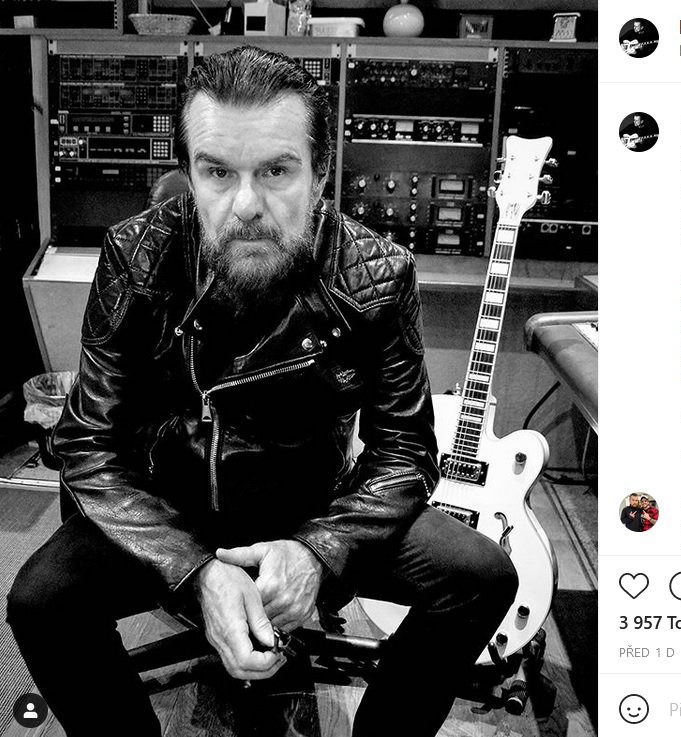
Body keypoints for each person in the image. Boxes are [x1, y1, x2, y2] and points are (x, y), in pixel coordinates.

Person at [7, 45, 517, 737]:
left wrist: (318, 550)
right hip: (171, 508)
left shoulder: (377, 272)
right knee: (39, 599)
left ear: (320, 172)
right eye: (218, 172)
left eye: (276, 170)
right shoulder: (135, 254)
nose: (245, 205)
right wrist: (194, 571)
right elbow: (88, 440)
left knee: (483, 575)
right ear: (188, 172)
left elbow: (404, 451)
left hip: (313, 507)